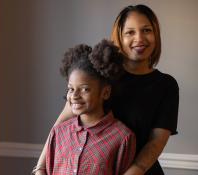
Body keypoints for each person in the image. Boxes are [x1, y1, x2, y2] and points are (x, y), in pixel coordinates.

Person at [33, 4, 179, 175]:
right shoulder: (102, 73)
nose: (139, 38)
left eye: (146, 30)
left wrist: (132, 172)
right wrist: (40, 168)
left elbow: (155, 143)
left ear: (156, 35)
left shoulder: (166, 85)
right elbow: (61, 125)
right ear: (119, 37)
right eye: (130, 32)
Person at [36, 40, 136, 175]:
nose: (75, 96)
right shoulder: (58, 133)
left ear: (105, 92)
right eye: (71, 89)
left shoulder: (122, 138)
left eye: (84, 89)